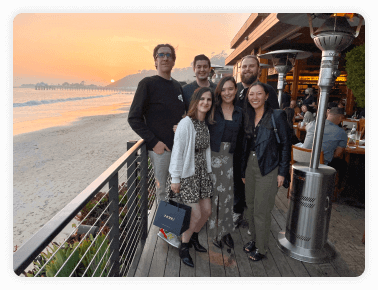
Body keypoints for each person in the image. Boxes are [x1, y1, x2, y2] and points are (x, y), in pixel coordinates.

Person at [128, 43, 185, 248]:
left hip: (179, 150)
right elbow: (134, 118)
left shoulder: (178, 86)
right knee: (163, 192)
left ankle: (173, 226)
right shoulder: (147, 84)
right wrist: (154, 142)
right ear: (155, 60)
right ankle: (165, 231)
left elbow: (183, 115)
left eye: (168, 55)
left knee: (176, 188)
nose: (165, 58)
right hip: (160, 150)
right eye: (160, 55)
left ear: (173, 60)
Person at [240, 81, 291, 261]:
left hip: (269, 166)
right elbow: (244, 147)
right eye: (251, 94)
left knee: (261, 210)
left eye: (258, 93)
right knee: (251, 206)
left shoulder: (277, 115)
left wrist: (282, 172)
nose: (254, 97)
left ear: (267, 96)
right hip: (250, 165)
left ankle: (261, 249)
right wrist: (243, 171)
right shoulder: (248, 116)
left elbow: (285, 144)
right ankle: (255, 240)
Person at [165, 86, 215, 267]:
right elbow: (177, 152)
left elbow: (205, 150)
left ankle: (193, 237)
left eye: (209, 100)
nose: (205, 102)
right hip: (187, 175)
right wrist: (175, 178)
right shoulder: (186, 123)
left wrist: (208, 172)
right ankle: (184, 247)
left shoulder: (204, 124)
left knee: (207, 211)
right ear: (195, 101)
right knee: (194, 214)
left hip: (201, 175)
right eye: (202, 99)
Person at [233, 55, 279, 229]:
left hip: (257, 146)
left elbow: (274, 118)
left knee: (255, 182)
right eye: (244, 67)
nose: (247, 70)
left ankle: (253, 217)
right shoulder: (234, 89)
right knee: (238, 179)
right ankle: (237, 212)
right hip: (236, 145)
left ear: (259, 70)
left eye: (251, 66)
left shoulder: (268, 90)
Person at [207, 76, 243, 249]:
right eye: (224, 89)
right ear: (219, 91)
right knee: (215, 197)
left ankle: (226, 231)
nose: (227, 92)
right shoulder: (212, 109)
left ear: (235, 90)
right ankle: (215, 233)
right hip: (213, 157)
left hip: (231, 157)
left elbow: (243, 139)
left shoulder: (240, 112)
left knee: (228, 197)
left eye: (230, 89)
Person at [302, 107, 348, 192]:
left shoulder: (312, 124)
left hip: (302, 161)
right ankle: (338, 190)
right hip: (321, 164)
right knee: (343, 163)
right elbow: (337, 154)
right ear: (341, 118)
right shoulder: (341, 133)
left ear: (328, 114)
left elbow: (306, 127)